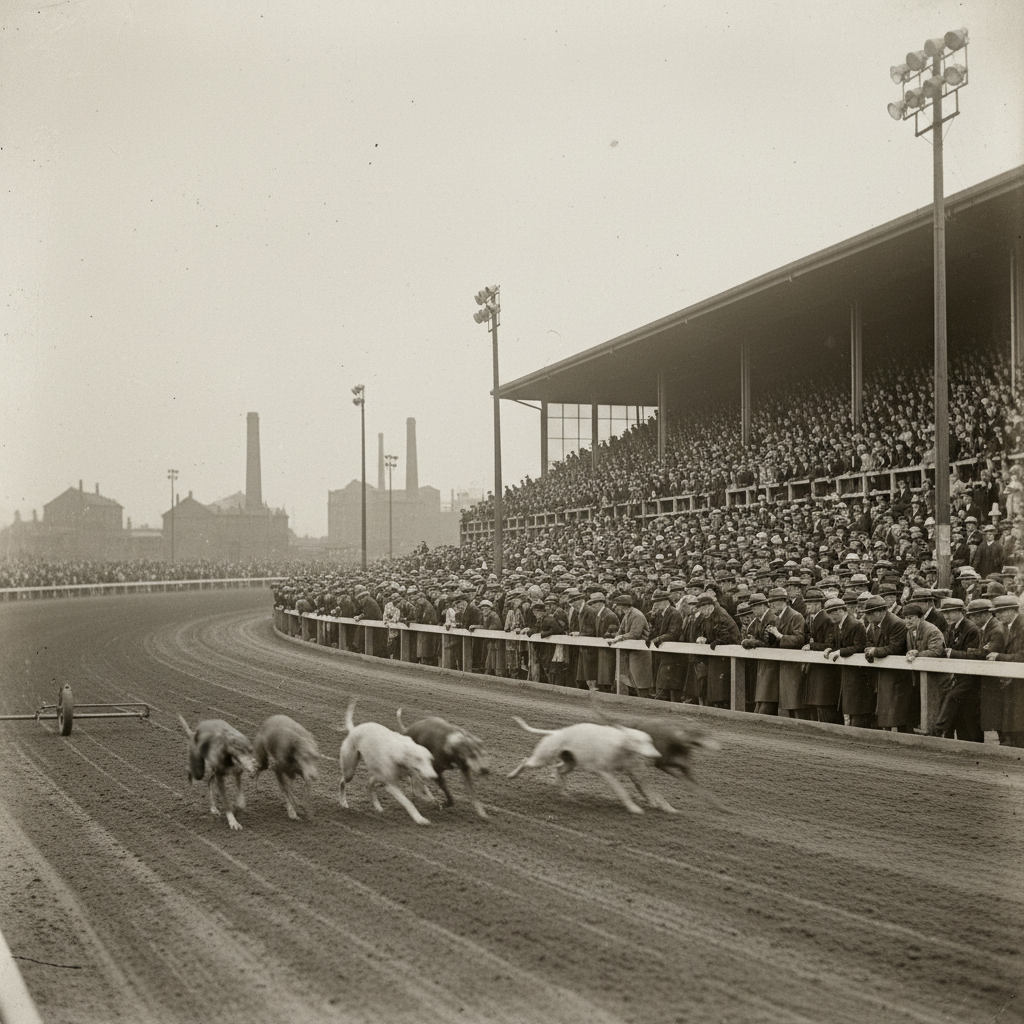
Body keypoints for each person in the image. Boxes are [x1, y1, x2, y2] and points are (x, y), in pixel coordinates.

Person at [931, 597, 983, 741]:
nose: (946, 615)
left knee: (964, 711)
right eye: (944, 612)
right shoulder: (951, 627)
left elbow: (974, 655)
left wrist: (950, 653)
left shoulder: (971, 628)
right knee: (963, 715)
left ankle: (939, 729)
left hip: (971, 678)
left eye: (950, 612)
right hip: (959, 676)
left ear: (961, 612)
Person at [863, 594, 911, 732]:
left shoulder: (895, 623)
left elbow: (895, 647)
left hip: (898, 673)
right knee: (886, 708)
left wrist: (875, 651)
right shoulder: (874, 625)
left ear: (879, 612)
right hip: (884, 672)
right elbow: (870, 642)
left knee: (897, 710)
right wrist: (870, 649)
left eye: (869, 614)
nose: (867, 617)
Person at [822, 596, 872, 728]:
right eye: (828, 613)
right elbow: (836, 644)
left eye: (832, 613)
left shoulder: (855, 624)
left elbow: (859, 646)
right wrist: (830, 649)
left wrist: (840, 652)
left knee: (857, 704)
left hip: (859, 672)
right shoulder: (837, 625)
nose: (830, 617)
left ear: (840, 611)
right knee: (849, 703)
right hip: (847, 672)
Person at [986, 593, 1024, 747]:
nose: (997, 615)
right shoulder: (1009, 626)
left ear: (1011, 611)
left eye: (1000, 612)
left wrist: (999, 657)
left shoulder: (1021, 627)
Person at [765, 586, 809, 719]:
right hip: (784, 665)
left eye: (774, 601)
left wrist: (779, 636)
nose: (771, 605)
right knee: (787, 702)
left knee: (795, 702)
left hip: (794, 665)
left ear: (784, 601)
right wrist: (770, 637)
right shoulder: (778, 617)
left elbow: (799, 640)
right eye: (770, 602)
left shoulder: (795, 616)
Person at [694, 590, 740, 708]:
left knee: (721, 686)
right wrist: (704, 639)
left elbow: (727, 636)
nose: (700, 611)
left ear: (708, 606)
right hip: (717, 655)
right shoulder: (708, 616)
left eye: (701, 607)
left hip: (726, 654)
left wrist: (712, 642)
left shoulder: (721, 615)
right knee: (715, 685)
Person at [609, 594, 654, 698]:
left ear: (622, 606)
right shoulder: (627, 615)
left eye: (617, 606)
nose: (616, 609)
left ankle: (646, 705)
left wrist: (619, 638)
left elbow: (635, 633)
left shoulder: (637, 615)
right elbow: (620, 631)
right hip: (630, 653)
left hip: (640, 653)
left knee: (641, 682)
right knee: (630, 682)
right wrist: (615, 637)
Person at [649, 589, 685, 701]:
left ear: (665, 602)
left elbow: (674, 633)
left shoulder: (674, 613)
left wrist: (658, 639)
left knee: (667, 681)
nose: (655, 605)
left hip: (671, 654)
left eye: (657, 602)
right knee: (661, 679)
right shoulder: (659, 615)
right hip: (661, 652)